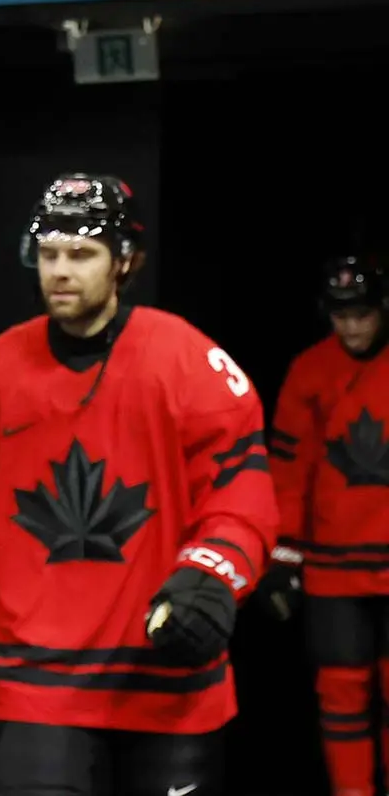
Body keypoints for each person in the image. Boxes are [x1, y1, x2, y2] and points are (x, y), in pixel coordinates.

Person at [0, 174, 279, 796]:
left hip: (163, 673)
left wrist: (211, 577)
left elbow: (241, 493)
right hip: (34, 680)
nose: (61, 271)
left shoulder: (188, 361)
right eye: (49, 254)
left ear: (124, 261)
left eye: (82, 254)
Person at [255, 254, 389, 796]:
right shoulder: (309, 371)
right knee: (341, 689)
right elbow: (290, 470)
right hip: (333, 567)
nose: (352, 327)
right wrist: (283, 554)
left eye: (362, 314)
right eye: (340, 316)